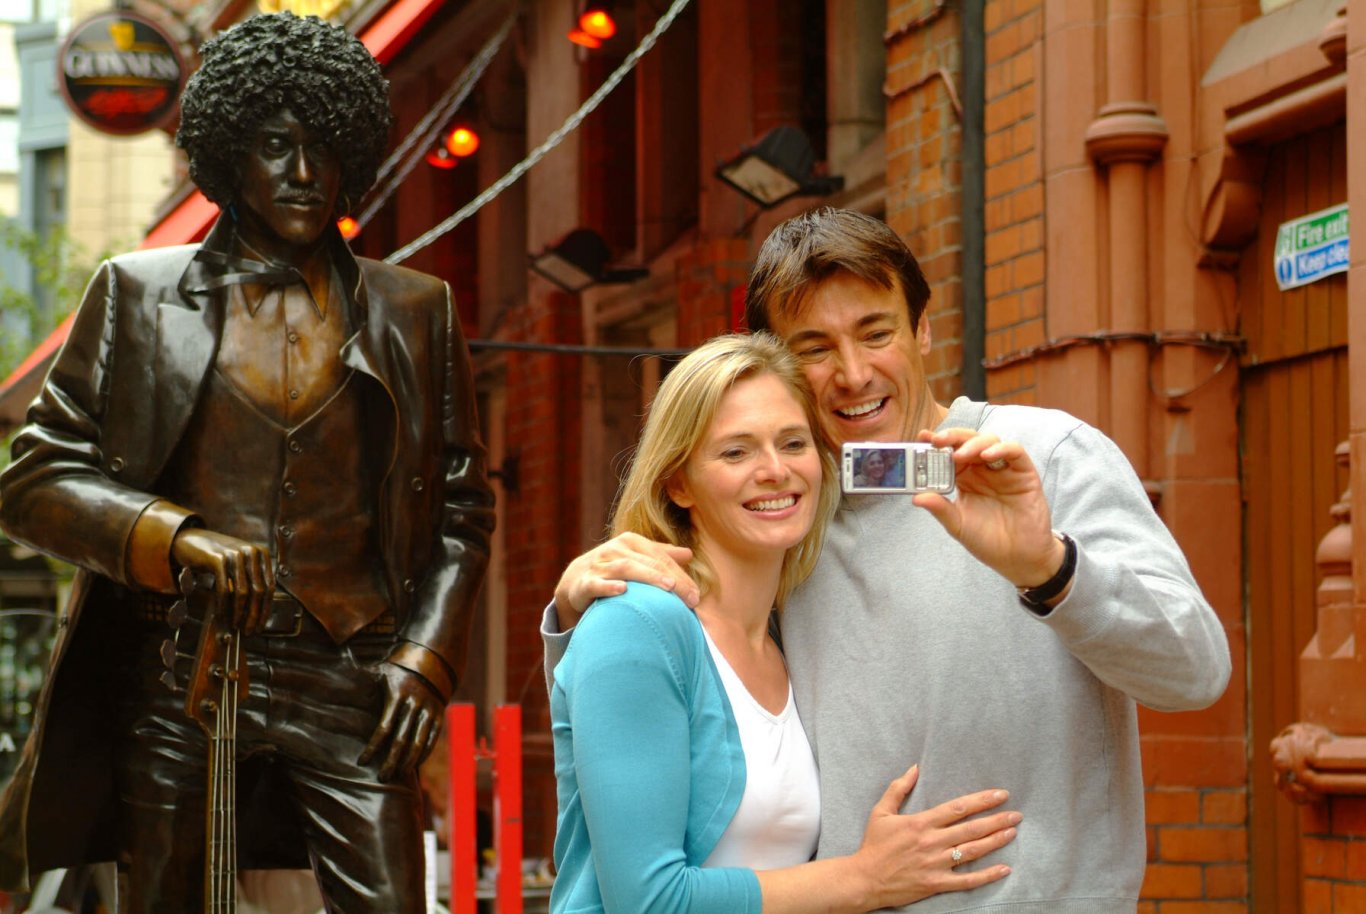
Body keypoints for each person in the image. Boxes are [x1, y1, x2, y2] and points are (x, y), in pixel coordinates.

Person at [544, 208, 1231, 912]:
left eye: (876, 333)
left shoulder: (1045, 459)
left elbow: (1196, 674)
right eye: (814, 348)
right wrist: (579, 609)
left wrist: (1051, 570)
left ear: (923, 327)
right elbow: (657, 715)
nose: (852, 373)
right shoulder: (791, 516)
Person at [0, 13, 494, 913]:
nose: (304, 173)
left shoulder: (416, 310)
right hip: (180, 672)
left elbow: (464, 513)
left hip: (353, 676)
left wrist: (424, 661)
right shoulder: (138, 294)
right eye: (275, 146)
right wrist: (172, 536)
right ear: (231, 151)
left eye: (323, 146)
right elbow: (33, 479)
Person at [551, 333, 1019, 913]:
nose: (774, 470)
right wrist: (865, 879)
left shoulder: (786, 636)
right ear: (677, 482)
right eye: (736, 452)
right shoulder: (639, 624)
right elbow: (648, 902)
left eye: (793, 443)